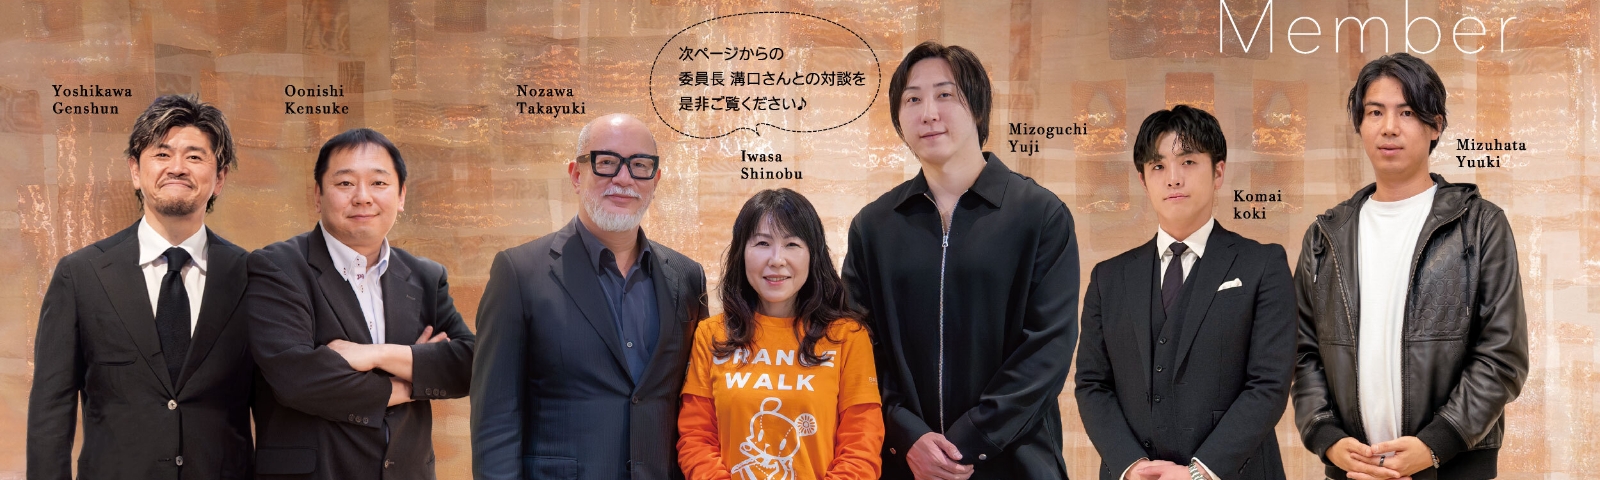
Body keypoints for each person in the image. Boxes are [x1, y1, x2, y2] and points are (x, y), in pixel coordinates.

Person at [842, 40, 1080, 479]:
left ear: (978, 106)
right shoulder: (873, 227)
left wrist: (969, 441)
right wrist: (907, 435)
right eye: (912, 99)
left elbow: (1048, 347)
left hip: (1015, 463)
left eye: (945, 95)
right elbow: (858, 348)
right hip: (905, 465)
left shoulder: (1039, 215)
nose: (928, 113)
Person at [1293, 53, 1529, 480]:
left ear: (1435, 125)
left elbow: (1503, 355)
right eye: (1375, 112)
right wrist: (1327, 438)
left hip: (1454, 467)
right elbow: (1303, 353)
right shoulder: (1325, 236)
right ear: (1360, 125)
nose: (1389, 127)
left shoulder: (1480, 224)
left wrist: (1436, 443)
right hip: (1353, 470)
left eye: (1406, 112)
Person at [471, 113, 709, 480]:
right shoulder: (519, 273)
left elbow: (696, 404)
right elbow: (496, 418)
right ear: (576, 175)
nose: (624, 178)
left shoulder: (687, 276)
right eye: (607, 162)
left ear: (656, 180)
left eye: (640, 165)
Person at [27, 94, 254, 479]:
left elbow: (276, 410)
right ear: (135, 170)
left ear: (220, 178)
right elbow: (51, 411)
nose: (177, 168)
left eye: (195, 156)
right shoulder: (81, 275)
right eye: (162, 154)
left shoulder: (253, 277)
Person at [1075, 105, 1295, 480]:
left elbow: (1269, 384)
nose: (1173, 179)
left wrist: (1199, 473)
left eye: (1188, 162)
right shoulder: (1108, 278)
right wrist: (1130, 465)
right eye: (1158, 166)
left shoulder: (1263, 265)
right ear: (1143, 180)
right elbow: (1092, 385)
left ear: (1218, 172)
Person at [245, 128, 475, 479]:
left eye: (379, 183)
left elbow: (470, 365)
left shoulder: (425, 276)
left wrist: (376, 355)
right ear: (318, 195)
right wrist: (411, 381)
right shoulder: (278, 267)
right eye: (345, 183)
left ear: (401, 195)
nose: (363, 197)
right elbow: (297, 379)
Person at [678, 188, 884, 480]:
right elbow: (696, 438)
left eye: (791, 244)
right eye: (762, 243)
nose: (776, 259)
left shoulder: (848, 337)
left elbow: (862, 444)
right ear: (741, 253)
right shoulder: (711, 335)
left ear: (813, 254)